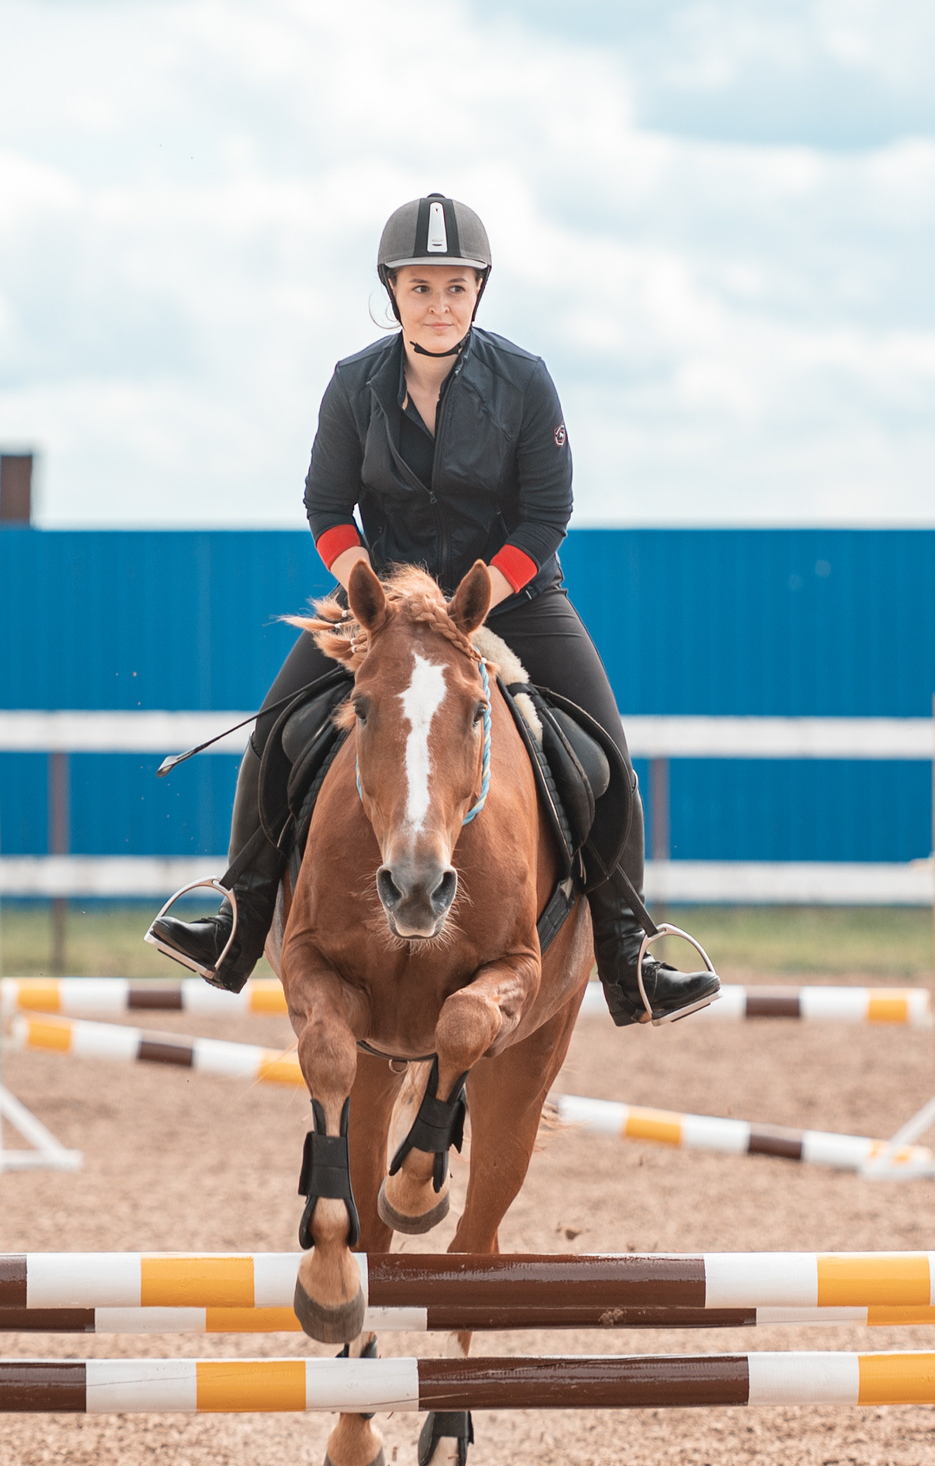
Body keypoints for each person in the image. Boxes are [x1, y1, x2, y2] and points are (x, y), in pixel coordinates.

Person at [148, 193, 718, 1026]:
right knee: (276, 728)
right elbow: (327, 507)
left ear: (478, 292)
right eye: (422, 288)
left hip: (513, 597)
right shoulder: (354, 385)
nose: (440, 305)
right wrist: (364, 593)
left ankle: (630, 953)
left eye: (455, 288)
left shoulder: (524, 381)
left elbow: (545, 514)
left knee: (607, 759)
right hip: (387, 609)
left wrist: (473, 601)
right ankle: (237, 914)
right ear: (393, 292)